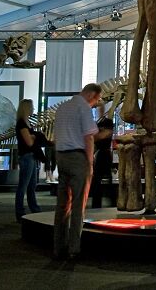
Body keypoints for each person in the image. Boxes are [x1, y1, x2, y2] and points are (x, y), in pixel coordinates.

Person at [52, 83, 101, 261]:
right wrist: (90, 163)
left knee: (62, 205)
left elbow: (56, 136)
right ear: (91, 94)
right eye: (96, 99)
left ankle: (58, 247)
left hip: (61, 157)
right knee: (79, 205)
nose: (95, 103)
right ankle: (74, 248)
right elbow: (89, 136)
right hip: (77, 158)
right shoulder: (83, 108)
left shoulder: (62, 108)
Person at [15, 98, 41, 221]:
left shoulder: (26, 123)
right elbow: (29, 142)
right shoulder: (21, 123)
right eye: (31, 107)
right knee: (23, 185)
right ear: (26, 108)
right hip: (26, 157)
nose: (33, 109)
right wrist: (34, 136)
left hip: (31, 156)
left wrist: (32, 136)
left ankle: (34, 209)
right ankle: (20, 212)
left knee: (31, 186)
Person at [89, 101, 114, 209]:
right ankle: (97, 203)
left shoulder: (107, 122)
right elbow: (95, 137)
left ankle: (112, 201)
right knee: (97, 179)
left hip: (105, 152)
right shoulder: (95, 123)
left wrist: (97, 136)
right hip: (99, 153)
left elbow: (104, 135)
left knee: (107, 178)